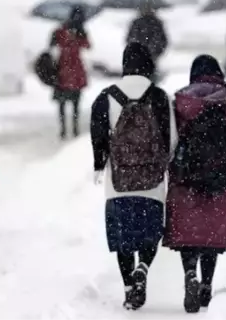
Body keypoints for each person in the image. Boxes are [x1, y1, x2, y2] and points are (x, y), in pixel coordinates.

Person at [164, 55, 226, 313]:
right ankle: (206, 284)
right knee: (211, 237)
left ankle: (190, 274)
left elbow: (169, 145)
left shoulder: (180, 102)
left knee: (189, 236)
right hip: (222, 180)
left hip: (186, 181)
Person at [90, 42, 176, 310]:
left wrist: (99, 163)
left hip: (119, 182)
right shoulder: (160, 97)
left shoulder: (106, 97)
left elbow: (98, 136)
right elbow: (171, 139)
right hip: (151, 182)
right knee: (150, 233)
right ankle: (143, 268)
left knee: (123, 237)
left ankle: (129, 287)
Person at [50, 5, 91, 139]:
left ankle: (64, 129)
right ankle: (74, 128)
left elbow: (52, 44)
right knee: (75, 102)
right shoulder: (79, 31)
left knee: (63, 103)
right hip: (74, 70)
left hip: (63, 70)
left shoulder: (61, 30)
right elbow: (87, 45)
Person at [126, 2, 169, 84]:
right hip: (149, 54)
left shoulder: (139, 22)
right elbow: (163, 40)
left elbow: (130, 38)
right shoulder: (155, 22)